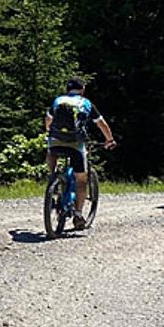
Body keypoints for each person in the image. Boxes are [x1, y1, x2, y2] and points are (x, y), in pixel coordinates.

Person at [46, 77, 116, 230]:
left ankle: (52, 178)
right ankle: (78, 214)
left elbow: (48, 121)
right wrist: (109, 139)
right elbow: (101, 124)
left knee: (51, 149)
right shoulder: (86, 103)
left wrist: (51, 133)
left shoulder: (58, 101)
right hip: (75, 144)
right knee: (81, 179)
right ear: (82, 89)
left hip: (55, 140)